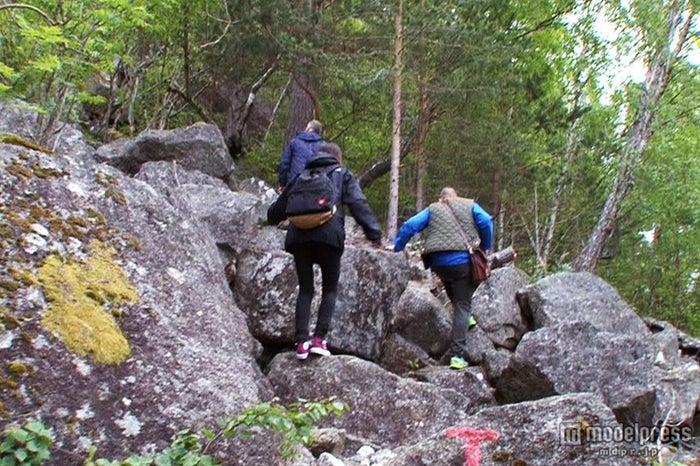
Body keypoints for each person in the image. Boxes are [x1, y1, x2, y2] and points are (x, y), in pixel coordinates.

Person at [267, 142, 383, 359]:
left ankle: (301, 342)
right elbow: (358, 203)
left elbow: (275, 213)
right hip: (329, 237)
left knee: (305, 289)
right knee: (329, 288)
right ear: (337, 158)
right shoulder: (342, 174)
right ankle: (319, 340)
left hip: (299, 237)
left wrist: (271, 218)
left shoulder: (301, 176)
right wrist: (374, 234)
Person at [392, 187, 493, 370]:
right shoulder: (469, 205)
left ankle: (465, 318)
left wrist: (397, 247)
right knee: (463, 304)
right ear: (456, 197)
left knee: (452, 286)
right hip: (462, 261)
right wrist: (486, 246)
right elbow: (486, 221)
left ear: (441, 199)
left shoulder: (433, 209)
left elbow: (410, 226)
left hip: (438, 263)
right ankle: (457, 356)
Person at [277, 119, 325, 192]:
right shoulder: (324, 147)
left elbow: (284, 164)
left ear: (308, 129)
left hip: (294, 185)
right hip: (313, 189)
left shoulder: (295, 142)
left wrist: (282, 184)